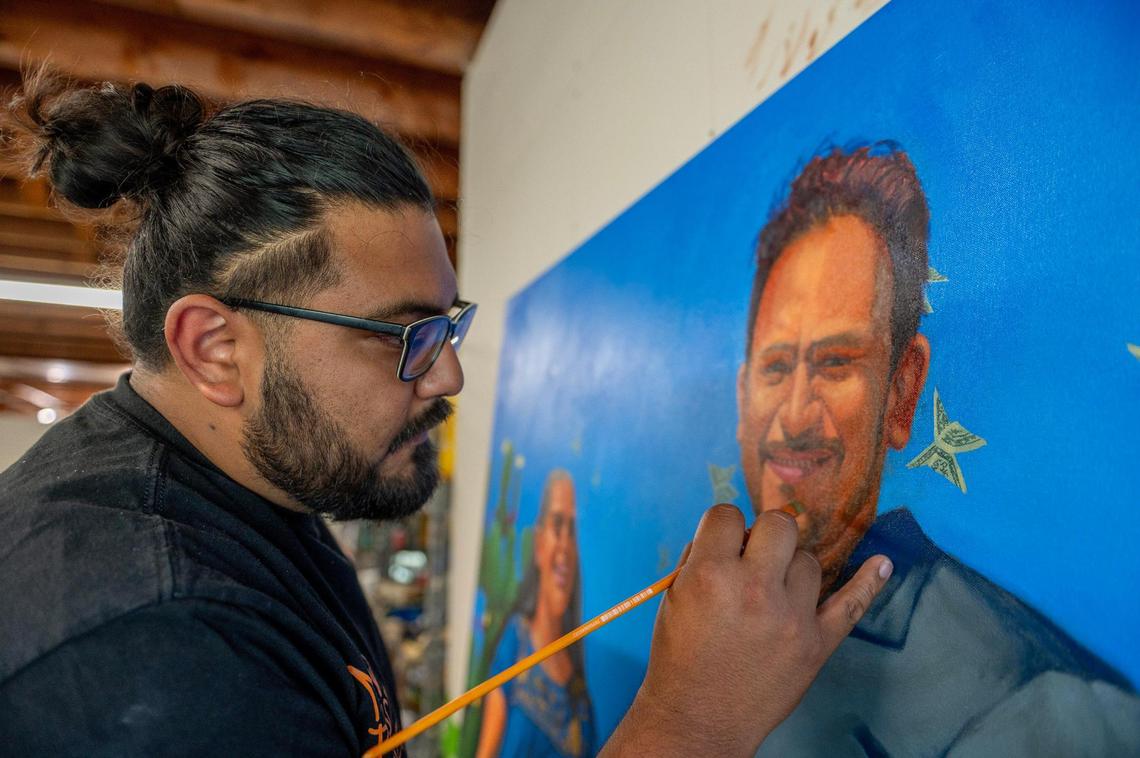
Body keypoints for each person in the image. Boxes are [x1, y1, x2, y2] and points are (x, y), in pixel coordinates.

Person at [0, 70, 893, 757]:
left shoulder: (244, 495)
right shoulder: (153, 652)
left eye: (447, 325)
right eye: (403, 335)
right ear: (213, 348)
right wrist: (688, 724)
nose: (450, 376)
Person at [737, 143, 1140, 755]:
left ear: (902, 394)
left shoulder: (1035, 705)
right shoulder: (722, 631)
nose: (793, 417)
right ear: (742, 396)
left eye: (837, 362)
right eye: (774, 368)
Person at [477, 471, 594, 758]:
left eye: (573, 531)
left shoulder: (581, 702)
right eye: (557, 525)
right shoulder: (513, 645)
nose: (565, 546)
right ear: (539, 543)